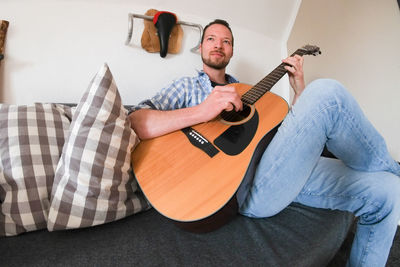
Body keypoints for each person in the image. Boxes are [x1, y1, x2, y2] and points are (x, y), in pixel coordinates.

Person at [129, 19, 400, 267]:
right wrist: (203, 111)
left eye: (226, 41)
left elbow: (289, 139)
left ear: (232, 51)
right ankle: (394, 166)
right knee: (327, 92)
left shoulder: (250, 93)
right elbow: (136, 121)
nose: (218, 45)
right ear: (201, 47)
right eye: (211, 38)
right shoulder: (185, 86)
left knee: (389, 190)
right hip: (238, 189)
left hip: (276, 171)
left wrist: (299, 90)